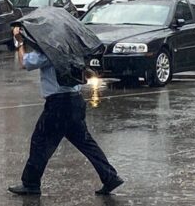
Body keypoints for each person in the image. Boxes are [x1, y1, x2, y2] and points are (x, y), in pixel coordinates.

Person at [8, 25, 123, 196]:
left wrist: (19, 43)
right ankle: (110, 177)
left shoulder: (49, 50)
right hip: (75, 101)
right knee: (86, 143)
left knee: (40, 142)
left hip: (58, 104)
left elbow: (25, 62)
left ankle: (31, 184)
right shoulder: (73, 49)